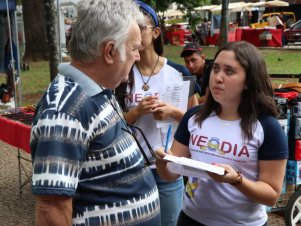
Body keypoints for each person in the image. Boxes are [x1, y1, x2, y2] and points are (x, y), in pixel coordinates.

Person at [30, 0, 161, 225]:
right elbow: (52, 209)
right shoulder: (65, 110)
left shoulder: (98, 92)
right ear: (109, 51)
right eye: (134, 49)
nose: (138, 56)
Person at [155, 41, 288, 226]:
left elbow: (272, 195)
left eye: (229, 71)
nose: (218, 77)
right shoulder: (194, 117)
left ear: (249, 81)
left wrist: (236, 181)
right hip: (190, 219)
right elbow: (171, 174)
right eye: (216, 69)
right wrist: (163, 163)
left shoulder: (267, 127)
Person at [115, 2, 198, 226]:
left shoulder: (178, 73)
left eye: (140, 26)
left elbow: (199, 123)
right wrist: (137, 112)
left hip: (168, 167)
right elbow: (112, 123)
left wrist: (172, 112)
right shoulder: (121, 74)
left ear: (156, 32)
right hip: (131, 169)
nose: (134, 30)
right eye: (129, 25)